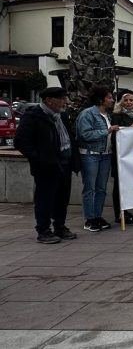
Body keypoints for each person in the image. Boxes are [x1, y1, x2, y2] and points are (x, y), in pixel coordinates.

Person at [15, 87, 79, 243]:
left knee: (62, 198)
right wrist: (39, 158)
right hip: (46, 166)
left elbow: (68, 137)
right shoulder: (33, 116)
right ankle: (43, 230)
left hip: (64, 163)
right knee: (45, 199)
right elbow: (21, 142)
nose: (65, 101)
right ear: (49, 100)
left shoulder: (61, 116)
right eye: (62, 98)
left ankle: (60, 226)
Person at [74, 86, 117, 231]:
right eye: (109, 97)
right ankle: (89, 218)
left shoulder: (107, 115)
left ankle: (98, 216)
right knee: (90, 188)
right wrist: (107, 131)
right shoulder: (87, 114)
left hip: (105, 155)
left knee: (101, 188)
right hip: (90, 155)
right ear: (101, 99)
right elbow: (84, 134)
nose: (112, 100)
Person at [110, 90, 133, 224]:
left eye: (131, 100)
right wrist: (129, 128)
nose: (129, 103)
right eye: (126, 100)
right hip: (121, 155)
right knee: (119, 186)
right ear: (122, 102)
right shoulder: (117, 115)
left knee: (129, 184)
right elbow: (116, 133)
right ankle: (119, 214)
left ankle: (127, 210)